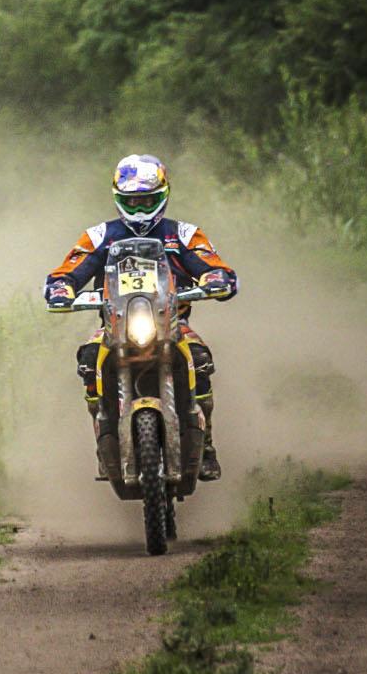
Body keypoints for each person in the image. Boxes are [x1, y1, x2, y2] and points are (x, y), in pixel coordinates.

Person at [42, 154, 236, 481]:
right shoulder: (99, 236)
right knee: (89, 360)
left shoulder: (183, 234)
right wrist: (61, 288)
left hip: (173, 325)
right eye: (132, 201)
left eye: (147, 200)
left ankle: (206, 445)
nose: (140, 208)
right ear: (119, 199)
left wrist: (216, 278)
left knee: (200, 360)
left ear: (163, 195)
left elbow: (213, 265)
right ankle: (104, 441)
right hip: (115, 326)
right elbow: (68, 270)